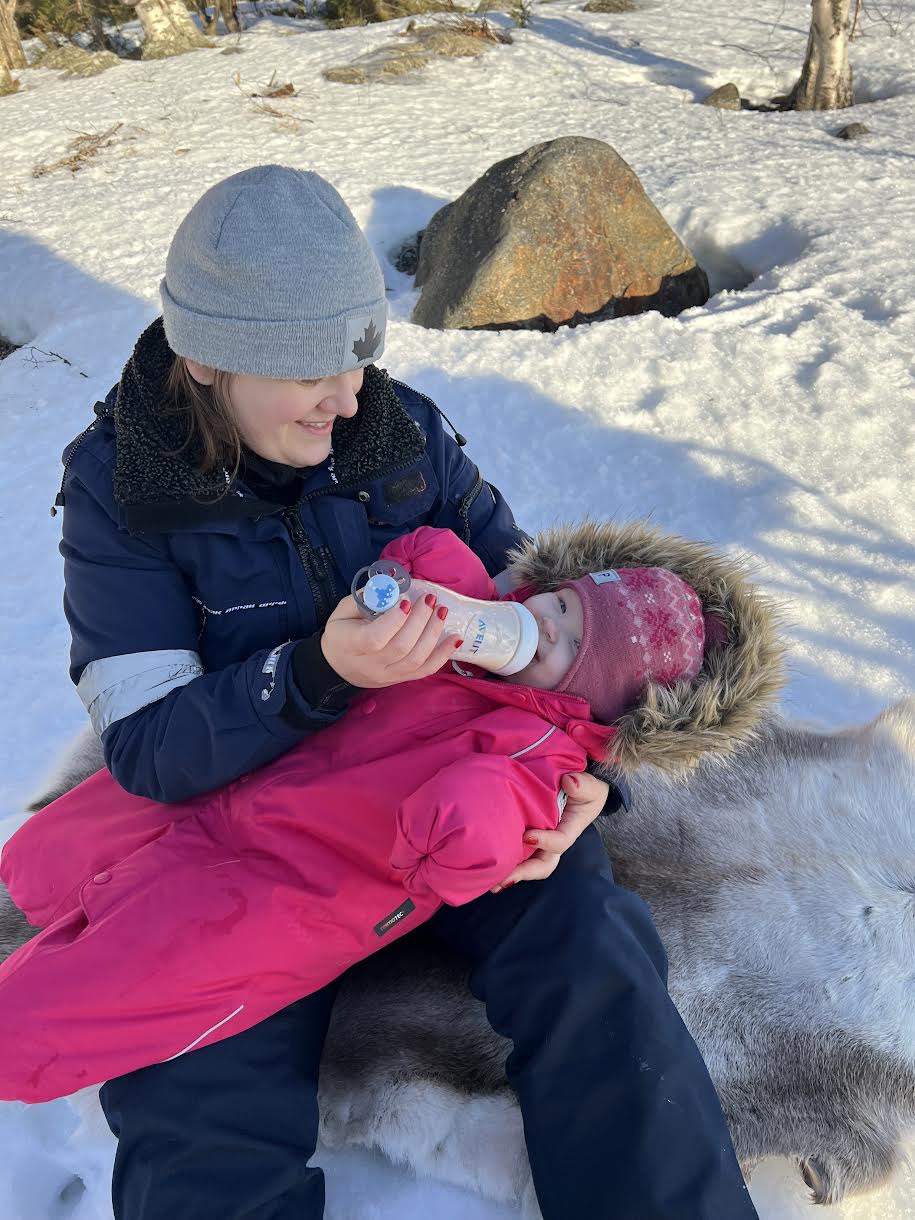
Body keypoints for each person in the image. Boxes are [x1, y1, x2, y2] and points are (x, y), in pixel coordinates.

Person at [31, 164, 769, 1219]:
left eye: (358, 356)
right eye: (308, 369)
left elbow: (549, 631)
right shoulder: (122, 490)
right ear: (205, 358)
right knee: (197, 1093)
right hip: (256, 839)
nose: (346, 397)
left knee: (593, 955)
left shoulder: (398, 432)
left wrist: (590, 786)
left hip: (458, 789)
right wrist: (318, 675)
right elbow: (150, 748)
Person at [0, 521, 776, 1104]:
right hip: (248, 778)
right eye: (561, 603)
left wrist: (472, 812)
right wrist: (406, 587)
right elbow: (427, 550)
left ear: (596, 704)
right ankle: (38, 888)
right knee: (49, 857)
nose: (546, 624)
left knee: (108, 993)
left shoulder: (536, 756)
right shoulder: (471, 622)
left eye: (570, 644)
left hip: (290, 893)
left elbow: (478, 837)